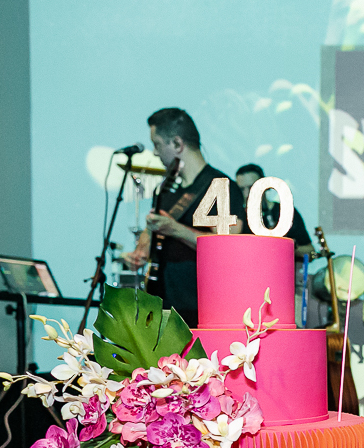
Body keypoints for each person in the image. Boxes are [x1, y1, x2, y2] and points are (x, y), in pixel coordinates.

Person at [125, 108, 246, 328]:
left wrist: (176, 230)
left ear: (178, 144)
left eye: (158, 144)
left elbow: (230, 247)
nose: (155, 152)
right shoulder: (167, 190)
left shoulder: (220, 186)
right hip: (163, 307)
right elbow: (154, 229)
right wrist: (142, 248)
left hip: (203, 310)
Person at [235, 163, 315, 259]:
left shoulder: (284, 212)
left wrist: (288, 246)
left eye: (252, 187)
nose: (247, 193)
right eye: (241, 189)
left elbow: (310, 251)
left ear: (265, 186)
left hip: (280, 270)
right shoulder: (237, 218)